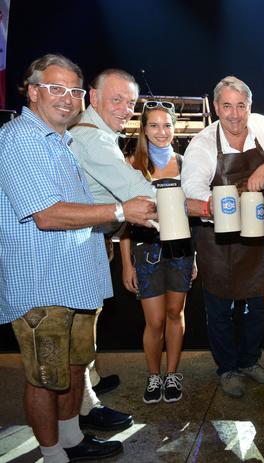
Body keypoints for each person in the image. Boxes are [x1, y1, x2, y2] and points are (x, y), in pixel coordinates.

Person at [0, 54, 155, 463]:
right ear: (33, 92)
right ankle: (53, 455)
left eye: (72, 90)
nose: (66, 99)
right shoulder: (19, 139)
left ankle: (71, 439)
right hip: (41, 282)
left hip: (74, 277)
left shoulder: (64, 140)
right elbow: (47, 214)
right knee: (45, 378)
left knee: (73, 366)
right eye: (55, 89)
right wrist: (122, 212)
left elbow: (84, 207)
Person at [182, 76, 264, 398]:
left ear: (250, 107)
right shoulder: (203, 143)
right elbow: (192, 187)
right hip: (217, 239)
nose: (235, 114)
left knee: (259, 305)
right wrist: (214, 204)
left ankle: (249, 360)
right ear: (217, 107)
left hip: (256, 235)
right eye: (227, 106)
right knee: (220, 309)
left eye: (241, 106)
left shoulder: (260, 125)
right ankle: (227, 367)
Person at [70, 68, 153, 432]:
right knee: (77, 331)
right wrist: (196, 207)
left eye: (130, 102)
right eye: (116, 100)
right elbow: (137, 190)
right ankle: (84, 409)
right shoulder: (96, 141)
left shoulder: (97, 133)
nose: (124, 109)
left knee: (87, 321)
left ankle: (90, 384)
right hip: (74, 247)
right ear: (93, 97)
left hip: (91, 239)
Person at [119, 101, 196, 404]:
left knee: (176, 313)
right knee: (155, 321)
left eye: (167, 125)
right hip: (146, 249)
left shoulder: (185, 163)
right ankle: (154, 375)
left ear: (174, 129)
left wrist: (195, 258)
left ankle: (173, 373)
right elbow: (124, 218)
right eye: (154, 125)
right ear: (144, 129)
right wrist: (126, 264)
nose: (161, 131)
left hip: (180, 250)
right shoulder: (130, 165)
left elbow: (191, 215)